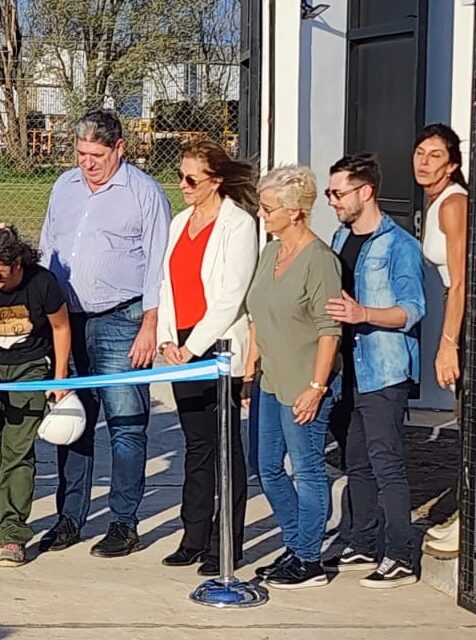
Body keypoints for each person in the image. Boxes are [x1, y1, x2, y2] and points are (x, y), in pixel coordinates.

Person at [37, 108, 172, 558]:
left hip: (122, 320)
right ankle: (69, 518)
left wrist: (150, 324)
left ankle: (123, 522)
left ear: (119, 148)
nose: (87, 163)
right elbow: (48, 247)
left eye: (96, 154)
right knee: (72, 421)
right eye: (81, 154)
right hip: (67, 322)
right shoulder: (64, 186)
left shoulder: (144, 194)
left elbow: (159, 265)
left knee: (126, 424)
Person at [322, 154, 425, 589]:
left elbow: (412, 310)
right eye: (329, 193)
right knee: (356, 461)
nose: (332, 201)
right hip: (348, 371)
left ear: (365, 192)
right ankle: (363, 541)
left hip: (383, 371)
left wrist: (363, 313)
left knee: (386, 464)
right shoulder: (340, 238)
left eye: (338, 193)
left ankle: (400, 555)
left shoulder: (399, 246)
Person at [156, 140, 258, 576]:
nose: (183, 185)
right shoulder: (180, 222)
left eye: (191, 179)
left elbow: (231, 296)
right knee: (196, 444)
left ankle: (226, 544)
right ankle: (193, 536)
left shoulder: (239, 225)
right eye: (179, 176)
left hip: (216, 346)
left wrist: (192, 348)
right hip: (181, 344)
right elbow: (167, 284)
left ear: (215, 181)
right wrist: (167, 340)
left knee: (225, 447)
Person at [244, 166, 343, 589]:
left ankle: (308, 559)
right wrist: (250, 369)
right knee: (266, 466)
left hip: (304, 383)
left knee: (306, 469)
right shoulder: (271, 253)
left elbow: (329, 330)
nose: (262, 215)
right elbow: (257, 316)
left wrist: (316, 388)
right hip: (269, 381)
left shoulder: (319, 261)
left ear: (294, 212)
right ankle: (296, 542)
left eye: (268, 209)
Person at [0, 225, 72, 568]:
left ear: (17, 264)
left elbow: (61, 328)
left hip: (29, 371)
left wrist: (60, 378)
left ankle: (13, 533)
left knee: (17, 454)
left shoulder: (42, 283)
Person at [413, 124, 468, 560]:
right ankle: (464, 514)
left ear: (451, 165)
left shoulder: (453, 205)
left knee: (470, 421)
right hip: (454, 308)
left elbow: (463, 278)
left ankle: (470, 523)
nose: (424, 161)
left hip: (467, 321)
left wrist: (449, 341)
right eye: (420, 152)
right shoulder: (433, 202)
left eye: (435, 155)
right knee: (464, 418)